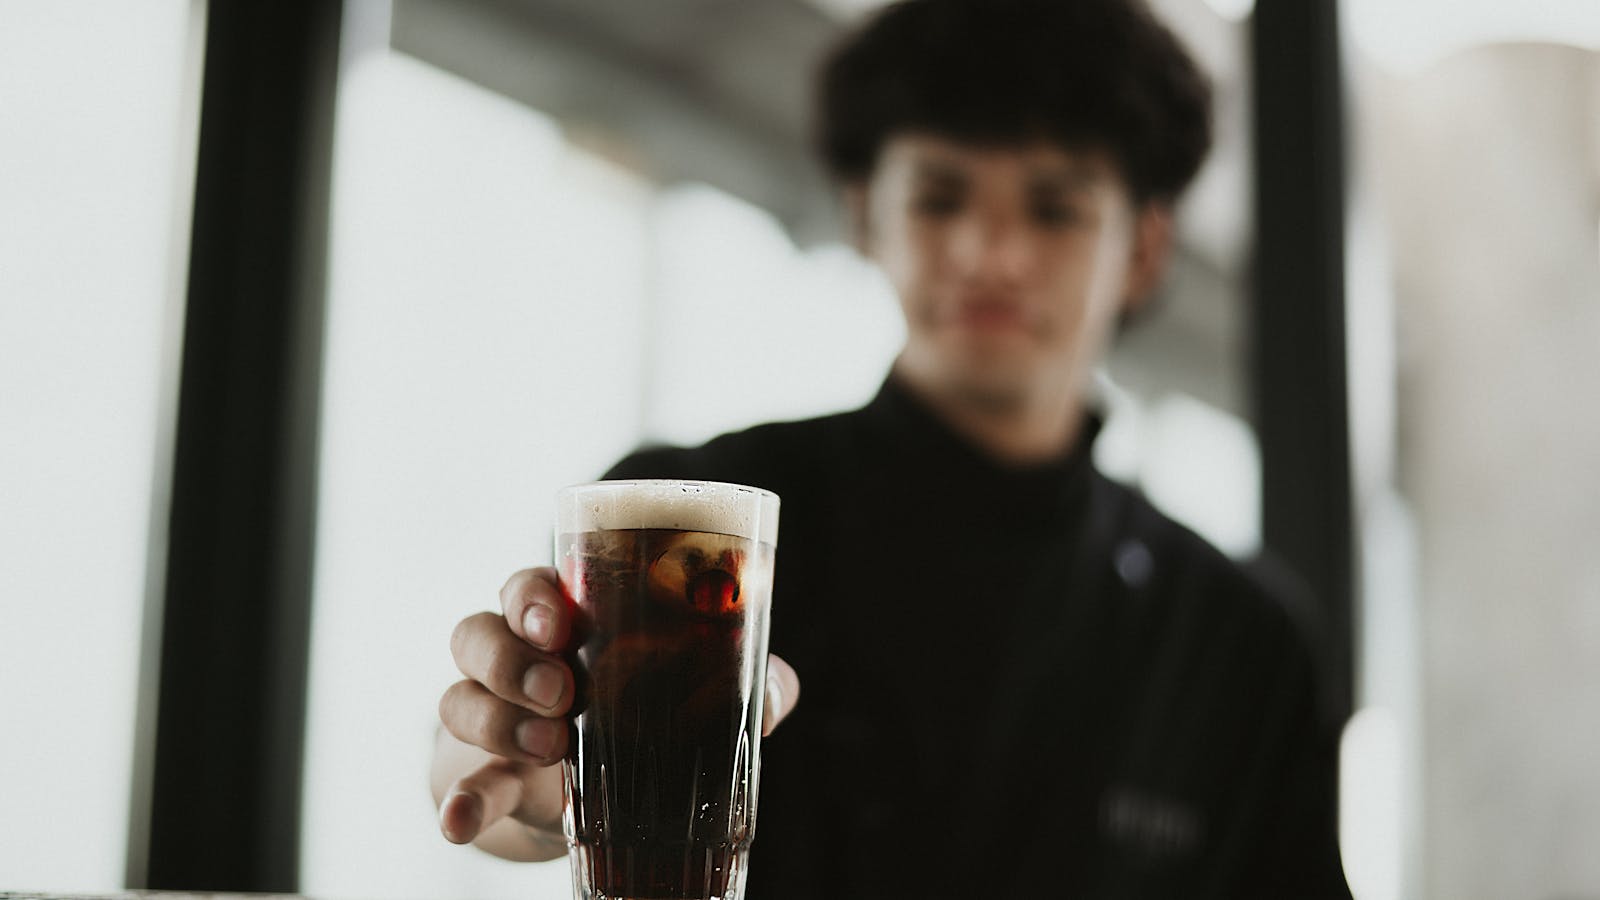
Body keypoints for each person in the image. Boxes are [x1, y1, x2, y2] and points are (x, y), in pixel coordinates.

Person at [431, 0, 1353, 896]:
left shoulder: (1245, 649)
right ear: (868, 215)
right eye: (941, 198)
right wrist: (522, 759)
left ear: (1145, 249)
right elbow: (511, 781)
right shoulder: (689, 527)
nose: (990, 252)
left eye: (1054, 209)